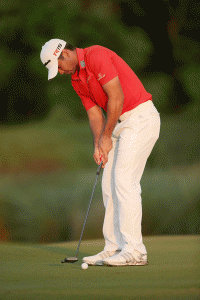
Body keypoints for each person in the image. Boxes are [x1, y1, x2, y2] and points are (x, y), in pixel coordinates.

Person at [40, 39, 160, 266]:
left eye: (59, 67)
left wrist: (107, 137)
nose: (62, 73)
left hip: (140, 118)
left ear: (64, 53)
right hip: (118, 125)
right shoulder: (77, 79)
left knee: (125, 181)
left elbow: (116, 96)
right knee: (109, 184)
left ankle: (135, 251)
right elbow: (95, 115)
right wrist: (98, 143)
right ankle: (114, 247)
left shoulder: (96, 55)